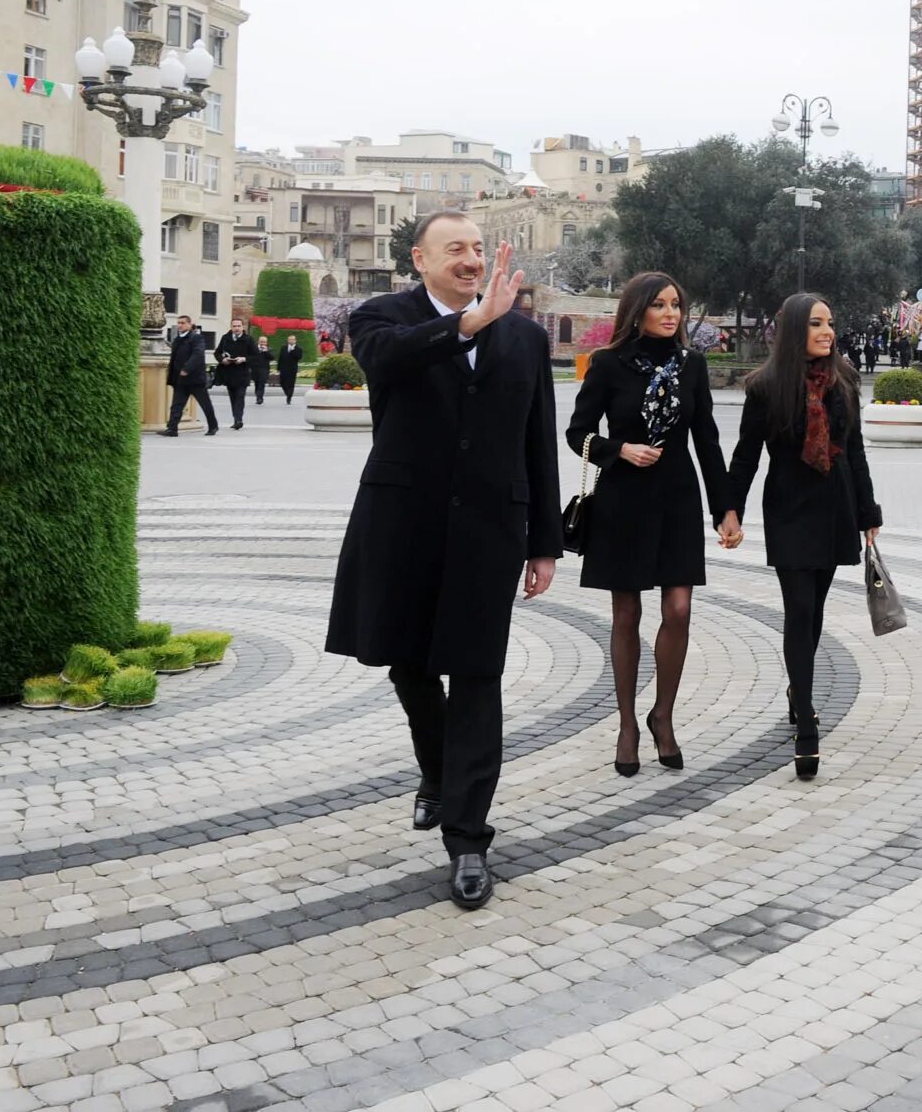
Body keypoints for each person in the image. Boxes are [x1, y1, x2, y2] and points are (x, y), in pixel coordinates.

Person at [325, 214, 562, 911]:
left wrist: (544, 541)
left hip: (491, 529)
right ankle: (437, 772)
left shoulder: (521, 334)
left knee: (479, 676)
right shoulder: (379, 318)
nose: (471, 259)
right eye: (455, 249)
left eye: (479, 249)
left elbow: (537, 439)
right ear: (419, 258)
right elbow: (387, 361)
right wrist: (465, 325)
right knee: (411, 666)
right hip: (404, 524)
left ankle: (468, 839)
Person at [566, 273, 741, 777]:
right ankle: (626, 725)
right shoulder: (608, 365)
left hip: (678, 499)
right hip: (623, 500)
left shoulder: (693, 366)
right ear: (637, 310)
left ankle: (662, 715)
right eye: (660, 305)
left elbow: (707, 441)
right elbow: (577, 432)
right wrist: (619, 450)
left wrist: (725, 509)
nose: (671, 314)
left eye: (677, 305)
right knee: (626, 615)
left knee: (680, 608)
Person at [726, 292, 883, 782]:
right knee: (798, 610)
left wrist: (868, 512)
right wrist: (730, 510)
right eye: (816, 324)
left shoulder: (845, 380)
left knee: (814, 611)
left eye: (830, 323)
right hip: (790, 509)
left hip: (835, 506)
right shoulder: (766, 386)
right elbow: (746, 454)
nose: (827, 332)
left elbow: (854, 451)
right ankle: (807, 724)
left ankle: (799, 690)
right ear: (796, 330)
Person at [163, 315, 219, 437]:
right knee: (177, 405)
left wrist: (187, 368)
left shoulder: (196, 338)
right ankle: (172, 429)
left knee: (205, 404)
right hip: (180, 380)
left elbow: (198, 354)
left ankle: (213, 426)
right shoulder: (177, 340)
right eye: (178, 323)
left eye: (183, 323)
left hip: (195, 379)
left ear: (189, 324)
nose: (180, 325)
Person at [213, 316, 256, 430]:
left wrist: (244, 359)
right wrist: (222, 360)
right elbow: (217, 352)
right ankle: (236, 418)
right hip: (229, 373)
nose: (236, 328)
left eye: (239, 326)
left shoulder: (249, 339)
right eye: (234, 326)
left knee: (240, 397)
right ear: (231, 327)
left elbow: (256, 356)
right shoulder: (225, 338)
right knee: (233, 397)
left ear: (243, 327)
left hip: (242, 373)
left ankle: (239, 419)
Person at [277, 334, 304, 405]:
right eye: (290, 339)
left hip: (292, 369)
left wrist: (292, 350)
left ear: (295, 341)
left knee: (291, 384)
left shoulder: (298, 349)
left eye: (292, 339)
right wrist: (278, 368)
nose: (291, 341)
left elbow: (299, 357)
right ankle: (287, 393)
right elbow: (280, 358)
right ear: (287, 340)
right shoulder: (284, 348)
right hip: (283, 368)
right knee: (282, 382)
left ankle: (289, 397)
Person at [250, 336, 273, 405]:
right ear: (258, 341)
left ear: (266, 342)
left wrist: (266, 352)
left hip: (264, 369)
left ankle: (260, 398)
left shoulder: (268, 349)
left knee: (261, 384)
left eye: (264, 342)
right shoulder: (253, 348)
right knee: (257, 384)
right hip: (255, 369)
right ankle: (258, 396)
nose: (263, 343)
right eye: (261, 341)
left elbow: (272, 358)